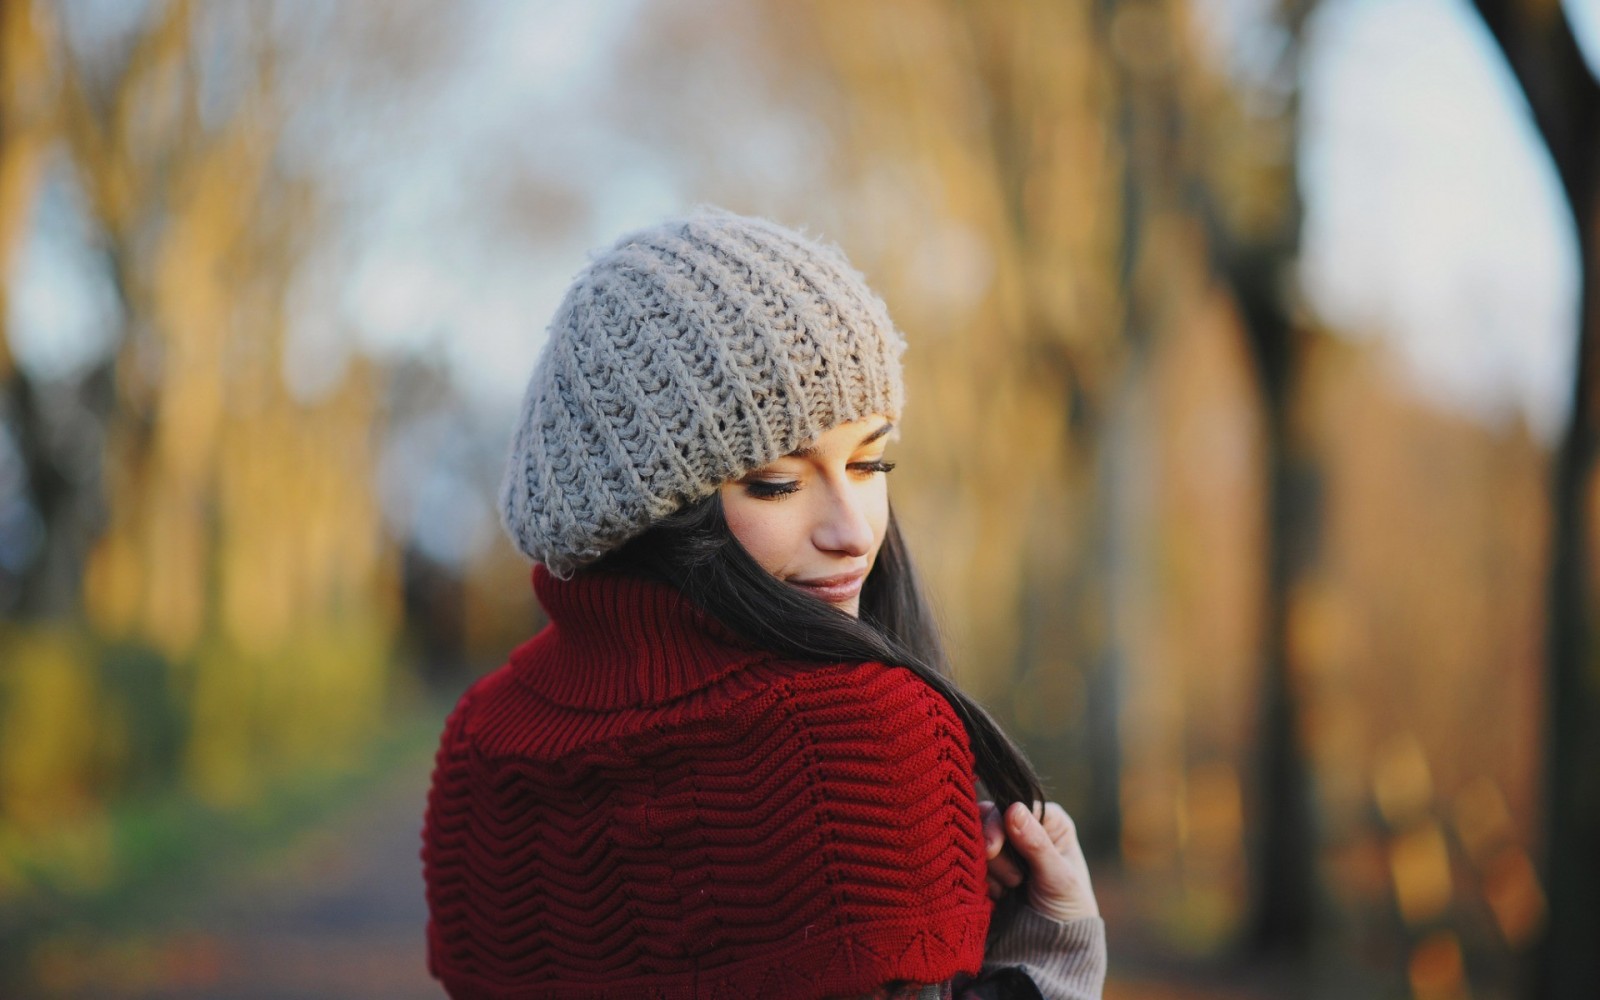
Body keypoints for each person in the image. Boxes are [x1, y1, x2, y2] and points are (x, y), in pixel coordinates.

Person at [420, 207, 1106, 999]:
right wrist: (1052, 954)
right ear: (652, 513)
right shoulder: (864, 735)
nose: (854, 532)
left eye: (870, 464)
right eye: (778, 482)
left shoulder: (476, 742)